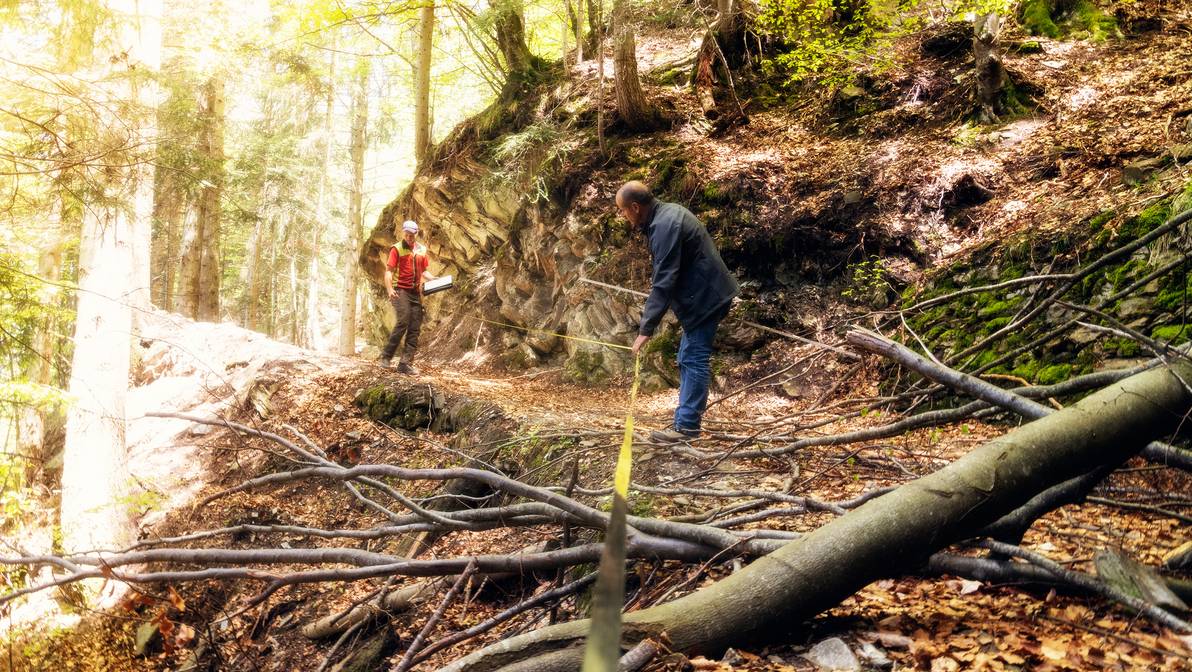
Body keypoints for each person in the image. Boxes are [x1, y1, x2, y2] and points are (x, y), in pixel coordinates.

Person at [617, 180, 740, 444]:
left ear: (635, 207)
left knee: (693, 357)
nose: (623, 216)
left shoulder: (664, 226)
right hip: (706, 294)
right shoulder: (664, 216)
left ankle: (686, 429)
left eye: (623, 210)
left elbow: (664, 280)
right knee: (688, 355)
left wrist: (645, 329)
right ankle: (683, 422)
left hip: (707, 297)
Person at [378, 220, 436, 374]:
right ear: (403, 233)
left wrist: (435, 280)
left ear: (416, 233)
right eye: (406, 233)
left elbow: (424, 271)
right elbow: (389, 271)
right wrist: (390, 289)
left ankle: (405, 363)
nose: (409, 236)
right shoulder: (396, 249)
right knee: (404, 320)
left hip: (415, 293)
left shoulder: (422, 250)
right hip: (400, 290)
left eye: (412, 234)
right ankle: (386, 356)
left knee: (415, 327)